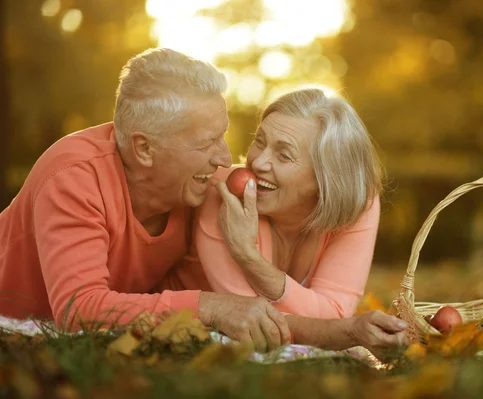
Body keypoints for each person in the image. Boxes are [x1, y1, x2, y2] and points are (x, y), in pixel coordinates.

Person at [0, 48, 291, 345]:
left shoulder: (204, 188)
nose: (225, 159)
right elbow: (78, 311)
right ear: (144, 149)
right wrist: (210, 306)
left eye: (223, 135)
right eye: (208, 142)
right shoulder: (73, 177)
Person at [163, 88, 382, 319]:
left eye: (283, 155)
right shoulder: (224, 192)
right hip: (181, 330)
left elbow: (336, 313)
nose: (258, 162)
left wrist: (248, 256)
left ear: (325, 180)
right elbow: (251, 321)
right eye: (259, 141)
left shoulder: (357, 201)